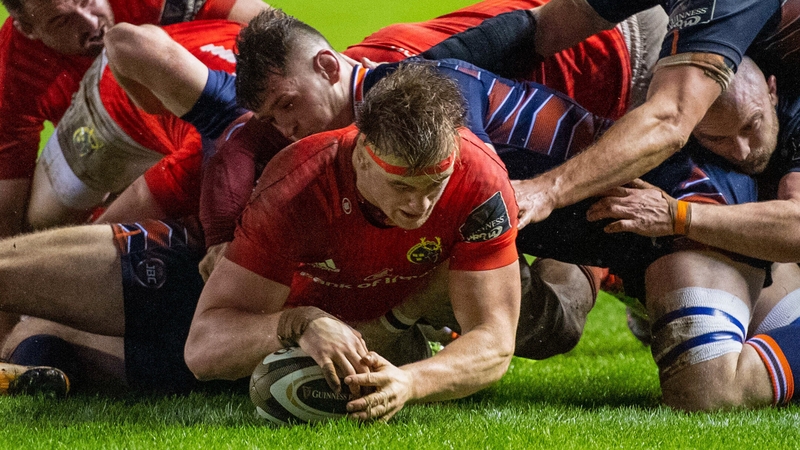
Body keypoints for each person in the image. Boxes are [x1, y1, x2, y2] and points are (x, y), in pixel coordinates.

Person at [184, 64, 522, 422]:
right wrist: (299, 324)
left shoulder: (481, 181)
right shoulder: (297, 188)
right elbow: (202, 351)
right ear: (362, 156)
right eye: (402, 186)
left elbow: (496, 341)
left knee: (551, 326)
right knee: (156, 368)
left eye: (435, 185)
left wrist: (410, 381)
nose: (419, 206)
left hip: (396, 304)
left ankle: (408, 336)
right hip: (287, 317)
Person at [420, 0, 800, 229]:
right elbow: (547, 27)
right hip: (756, 92)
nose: (741, 149)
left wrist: (547, 190)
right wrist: (407, 72)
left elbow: (669, 120)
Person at [0, 0, 269, 237]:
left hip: (169, 87)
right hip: (114, 106)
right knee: (38, 228)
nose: (91, 23)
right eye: (61, 20)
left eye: (86, 0)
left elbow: (278, 31)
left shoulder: (213, 159)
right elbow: (8, 202)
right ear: (28, 28)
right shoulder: (11, 72)